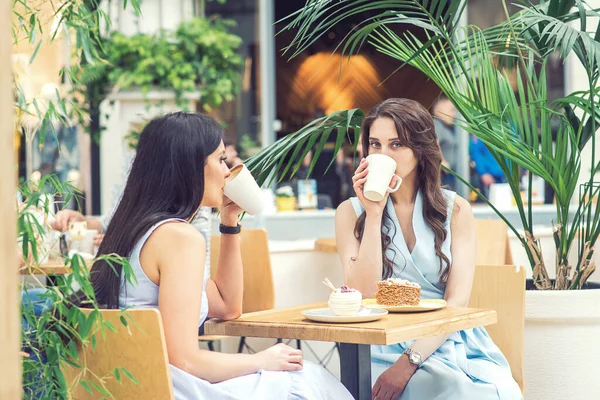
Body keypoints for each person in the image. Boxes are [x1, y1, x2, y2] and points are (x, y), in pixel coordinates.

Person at [75, 112, 351, 400]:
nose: (228, 172)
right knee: (307, 380)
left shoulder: (136, 230)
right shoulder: (179, 238)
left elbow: (227, 307)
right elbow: (186, 361)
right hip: (163, 386)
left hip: (123, 384)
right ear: (190, 167)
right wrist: (260, 360)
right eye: (220, 159)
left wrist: (230, 222)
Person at [335, 98, 522, 400]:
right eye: (375, 144)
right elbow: (362, 292)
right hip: (381, 339)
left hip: (446, 337)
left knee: (483, 391)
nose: (383, 154)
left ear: (420, 149)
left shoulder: (456, 210)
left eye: (396, 144)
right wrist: (373, 213)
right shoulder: (350, 212)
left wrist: (408, 363)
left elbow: (456, 302)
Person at [432, 96, 457, 190]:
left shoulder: (448, 127)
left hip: (449, 174)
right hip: (443, 174)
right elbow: (433, 142)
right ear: (438, 112)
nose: (454, 114)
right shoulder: (437, 124)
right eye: (451, 110)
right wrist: (442, 162)